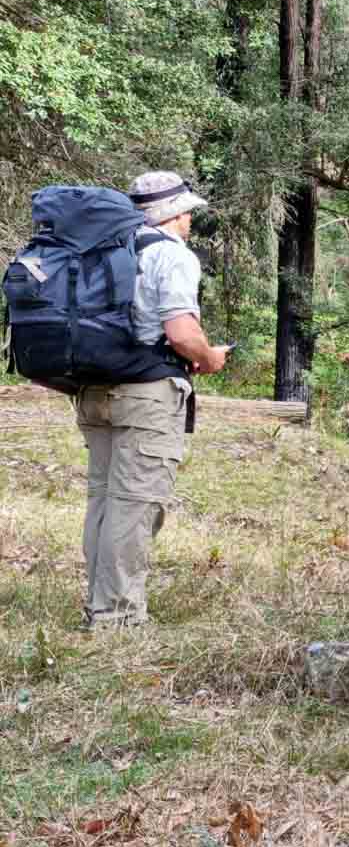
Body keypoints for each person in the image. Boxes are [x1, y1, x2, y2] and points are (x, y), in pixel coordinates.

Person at [75, 171, 228, 629]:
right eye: (185, 212)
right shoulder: (172, 256)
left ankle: (100, 605)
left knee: (104, 502)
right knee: (135, 506)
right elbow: (181, 334)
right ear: (170, 214)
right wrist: (209, 357)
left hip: (93, 392)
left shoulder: (103, 250)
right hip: (145, 398)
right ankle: (118, 618)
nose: (189, 220)